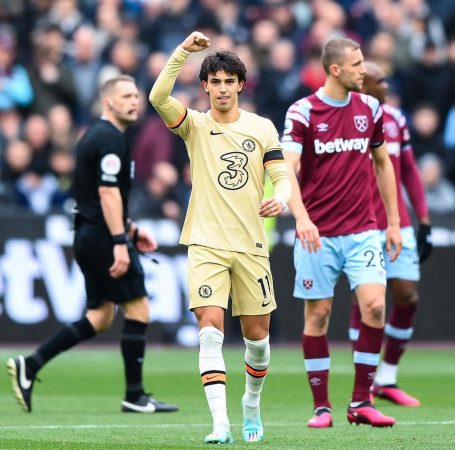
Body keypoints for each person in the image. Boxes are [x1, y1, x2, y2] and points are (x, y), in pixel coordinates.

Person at [149, 31, 291, 444]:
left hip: (250, 246)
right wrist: (181, 53)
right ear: (205, 86)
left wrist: (280, 199)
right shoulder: (194, 124)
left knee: (257, 341)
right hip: (206, 243)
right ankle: (220, 424)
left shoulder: (261, 128)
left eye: (231, 81)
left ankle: (250, 404)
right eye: (216, 81)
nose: (223, 88)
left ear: (240, 85)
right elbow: (158, 97)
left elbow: (281, 176)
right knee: (210, 331)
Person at [7, 75, 178, 415]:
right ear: (108, 102)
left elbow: (93, 197)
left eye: (136, 95)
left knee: (99, 318)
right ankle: (135, 395)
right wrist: (119, 240)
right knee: (139, 309)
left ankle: (31, 364)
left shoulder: (97, 137)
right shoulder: (110, 138)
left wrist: (129, 230)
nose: (135, 101)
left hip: (90, 233)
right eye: (126, 95)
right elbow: (106, 193)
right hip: (102, 237)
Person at [282, 38, 402, 428]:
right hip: (317, 232)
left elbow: (383, 165)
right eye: (356, 63)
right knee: (318, 314)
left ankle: (360, 402)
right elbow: (286, 168)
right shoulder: (303, 112)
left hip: (363, 230)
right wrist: (301, 217)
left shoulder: (370, 108)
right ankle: (322, 407)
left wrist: (395, 221)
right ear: (335, 70)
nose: (363, 69)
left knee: (376, 306)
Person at [349, 61, 432, 407]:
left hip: (399, 223)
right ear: (364, 84)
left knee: (407, 297)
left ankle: (387, 378)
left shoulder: (395, 118)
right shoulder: (346, 120)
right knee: (368, 302)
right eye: (381, 80)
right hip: (361, 223)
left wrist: (423, 219)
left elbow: (409, 170)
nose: (387, 84)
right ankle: (364, 386)